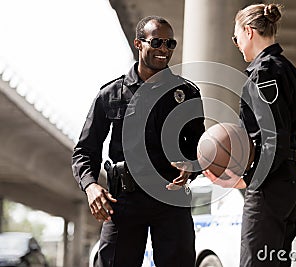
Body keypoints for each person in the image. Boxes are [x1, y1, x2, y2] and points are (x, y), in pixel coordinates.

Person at [71, 16, 205, 267]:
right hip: (124, 201)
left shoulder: (187, 94)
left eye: (170, 43)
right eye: (156, 42)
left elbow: (199, 146)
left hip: (171, 198)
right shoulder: (110, 94)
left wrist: (192, 166)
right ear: (138, 43)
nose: (164, 50)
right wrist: (90, 186)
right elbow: (84, 151)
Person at [203, 3, 296, 267]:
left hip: (269, 184)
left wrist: (248, 178)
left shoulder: (263, 73)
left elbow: (272, 137)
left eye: (235, 36)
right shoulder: (289, 70)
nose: (236, 43)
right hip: (288, 179)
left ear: (249, 32)